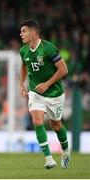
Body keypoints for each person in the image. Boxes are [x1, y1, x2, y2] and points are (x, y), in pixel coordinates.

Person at [19, 19, 70, 169]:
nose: (20, 34)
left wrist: (47, 84)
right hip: (36, 93)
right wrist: (22, 84)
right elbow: (24, 65)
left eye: (24, 31)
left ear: (33, 33)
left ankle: (65, 151)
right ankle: (48, 159)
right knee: (37, 120)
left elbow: (64, 69)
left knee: (56, 125)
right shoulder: (23, 50)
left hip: (55, 93)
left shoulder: (48, 49)